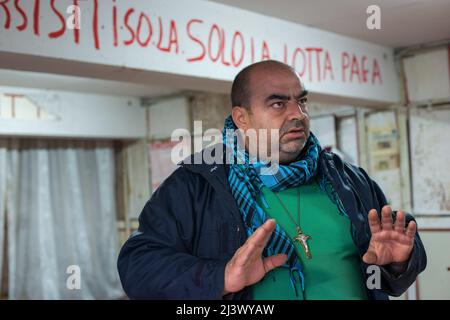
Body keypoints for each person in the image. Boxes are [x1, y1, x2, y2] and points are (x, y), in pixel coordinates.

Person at [117, 60, 426, 300]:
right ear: (242, 118)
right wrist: (221, 276)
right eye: (278, 104)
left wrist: (396, 264)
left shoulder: (349, 180)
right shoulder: (196, 183)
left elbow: (389, 279)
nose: (298, 114)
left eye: (301, 101)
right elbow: (138, 267)